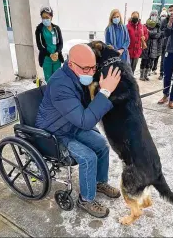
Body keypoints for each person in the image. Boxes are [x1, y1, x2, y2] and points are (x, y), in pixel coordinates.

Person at [35, 44, 121, 218]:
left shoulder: (78, 74)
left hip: (71, 123)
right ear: (71, 64)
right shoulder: (60, 85)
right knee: (88, 157)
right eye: (86, 68)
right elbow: (85, 120)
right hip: (55, 132)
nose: (91, 72)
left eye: (93, 67)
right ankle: (86, 199)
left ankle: (98, 182)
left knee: (102, 145)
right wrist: (105, 92)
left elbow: (85, 113)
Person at [35, 6, 64, 82]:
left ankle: (57, 93)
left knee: (57, 79)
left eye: (47, 17)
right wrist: (50, 55)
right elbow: (40, 46)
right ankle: (50, 93)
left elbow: (60, 43)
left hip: (56, 58)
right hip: (46, 59)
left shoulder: (56, 28)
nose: (45, 19)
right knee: (49, 80)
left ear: (51, 17)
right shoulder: (39, 29)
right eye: (43, 17)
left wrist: (57, 53)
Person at [140, 10, 161, 81]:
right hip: (146, 45)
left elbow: (158, 35)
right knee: (144, 61)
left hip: (154, 46)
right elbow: (144, 34)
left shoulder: (158, 25)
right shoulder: (145, 25)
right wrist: (150, 34)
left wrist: (148, 33)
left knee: (149, 62)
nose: (154, 16)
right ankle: (141, 75)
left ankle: (146, 75)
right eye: (152, 15)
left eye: (155, 15)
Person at [158, 5, 173, 80]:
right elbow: (161, 31)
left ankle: (171, 74)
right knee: (163, 59)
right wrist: (167, 30)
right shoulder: (164, 21)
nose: (171, 12)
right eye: (170, 10)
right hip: (165, 44)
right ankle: (161, 73)